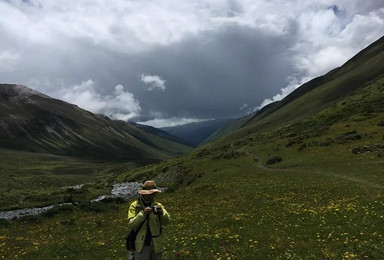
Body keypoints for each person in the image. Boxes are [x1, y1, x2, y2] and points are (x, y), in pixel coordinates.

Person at [127, 180, 171, 260]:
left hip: (156, 245)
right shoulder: (134, 206)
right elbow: (131, 224)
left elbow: (167, 222)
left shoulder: (158, 205)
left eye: (153, 193)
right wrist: (143, 214)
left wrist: (162, 213)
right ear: (144, 193)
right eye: (150, 193)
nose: (152, 196)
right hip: (141, 245)